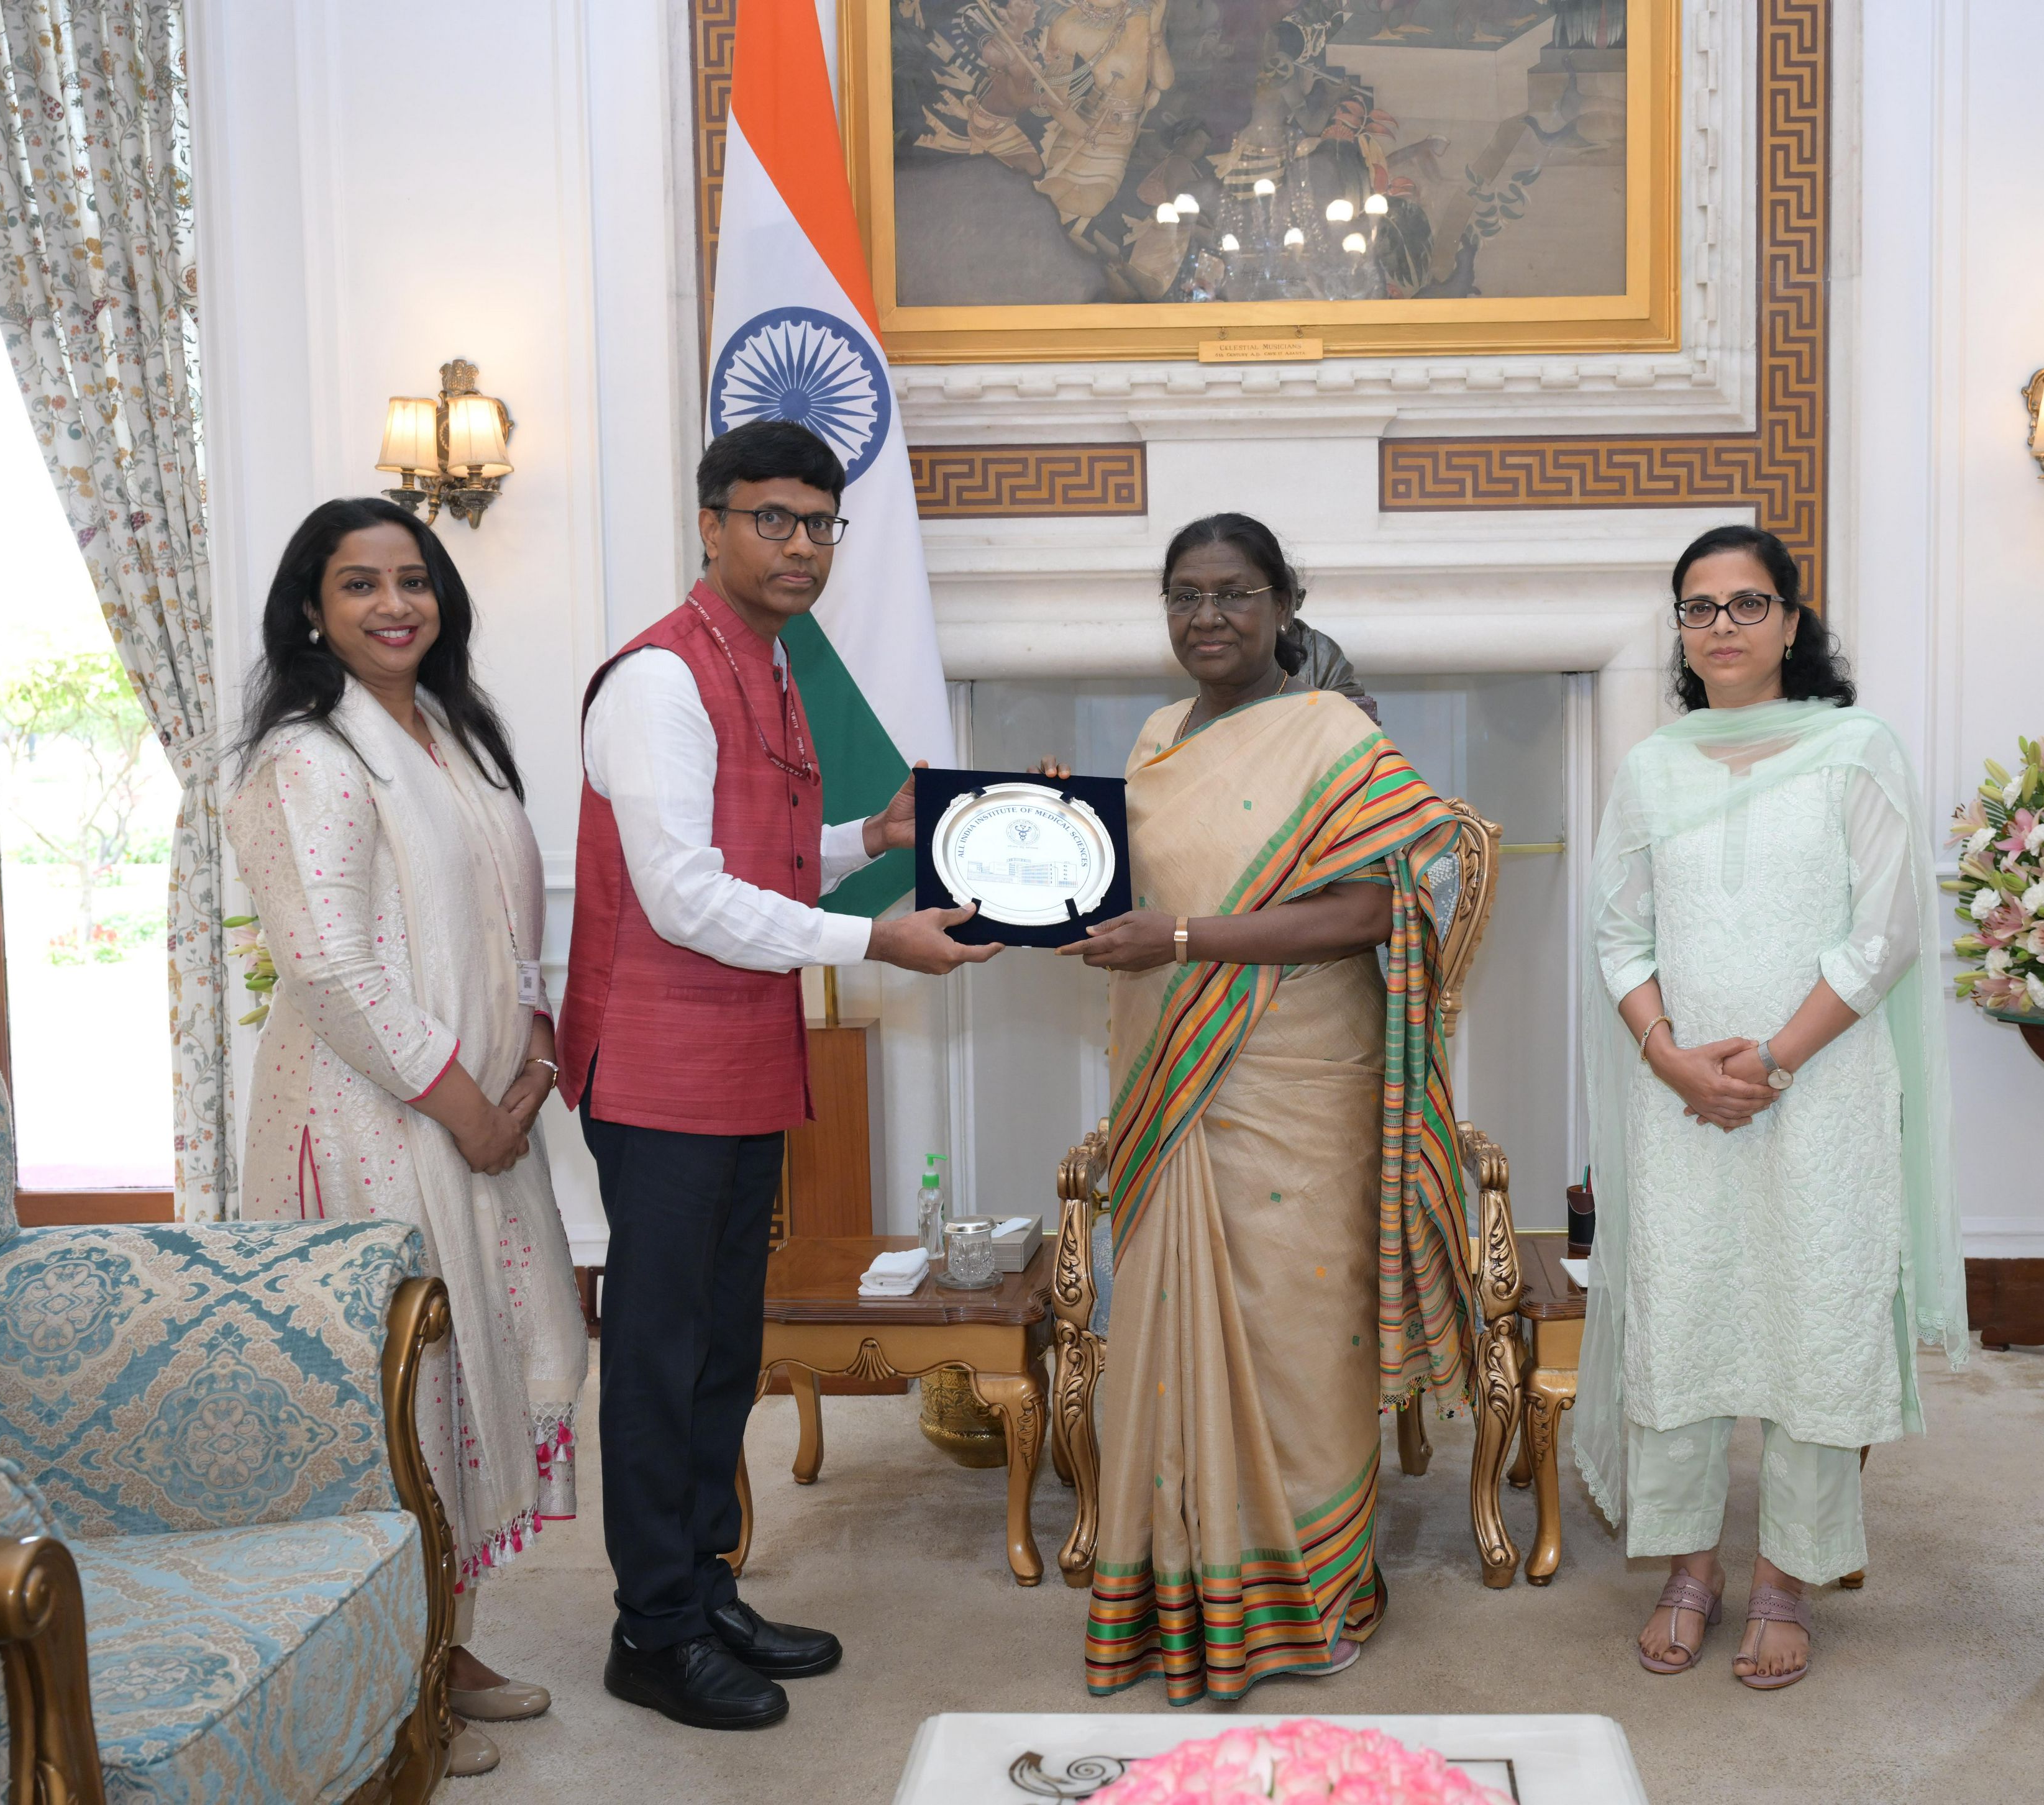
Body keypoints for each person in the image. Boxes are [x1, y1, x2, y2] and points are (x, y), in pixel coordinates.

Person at [560, 420, 997, 1732]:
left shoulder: (769, 662)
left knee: (721, 1350)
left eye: (818, 523)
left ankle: (704, 1587)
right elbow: (685, 895)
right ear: (712, 525)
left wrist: (875, 834)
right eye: (772, 519)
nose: (799, 545)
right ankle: (651, 1629)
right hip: (657, 1068)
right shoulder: (659, 678)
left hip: (744, 1057)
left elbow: (761, 850)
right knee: (658, 1356)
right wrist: (876, 939)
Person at [1050, 512, 1474, 1705]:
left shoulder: (1337, 734)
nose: (1208, 617)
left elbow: (1372, 911)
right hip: (1171, 1075)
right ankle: (1182, 1590)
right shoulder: (1156, 738)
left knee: (1297, 1338)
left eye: (1235, 592)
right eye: (1184, 595)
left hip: (1298, 1075)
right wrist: (1049, 832)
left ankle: (1310, 1595)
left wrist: (1186, 939)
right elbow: (1126, 887)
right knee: (1169, 1329)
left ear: (1285, 604)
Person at [229, 498, 590, 1780]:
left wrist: (533, 1054)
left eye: (413, 579)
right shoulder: (307, 756)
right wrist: (471, 1107)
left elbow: (508, 916)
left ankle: (444, 1638)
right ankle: (390, 1687)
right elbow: (330, 968)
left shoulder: (448, 731)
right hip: (374, 1120)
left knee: (478, 1369)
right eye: (360, 583)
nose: (395, 604)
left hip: (478, 1110)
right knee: (399, 1398)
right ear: (311, 609)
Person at [1574, 523, 1969, 1689]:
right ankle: (1689, 1569)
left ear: (1793, 623)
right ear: (1680, 631)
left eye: (1749, 604)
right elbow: (1619, 933)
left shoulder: (1857, 748)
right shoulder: (1652, 767)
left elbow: (1886, 932)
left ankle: (1790, 1578)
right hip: (1681, 1099)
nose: (1723, 627)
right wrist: (1670, 1057)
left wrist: (1774, 1062)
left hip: (1824, 1090)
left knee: (1815, 1321)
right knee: (1682, 1315)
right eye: (1699, 608)